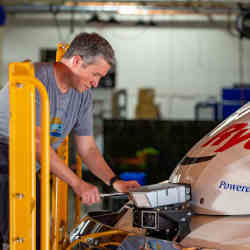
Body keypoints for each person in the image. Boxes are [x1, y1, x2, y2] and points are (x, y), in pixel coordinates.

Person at [0, 32, 140, 247]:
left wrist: (114, 182)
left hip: (28, 166)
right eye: (95, 75)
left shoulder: (82, 95)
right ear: (76, 61)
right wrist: (78, 183)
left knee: (37, 238)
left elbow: (88, 148)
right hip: (5, 157)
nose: (95, 83)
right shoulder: (33, 80)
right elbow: (36, 143)